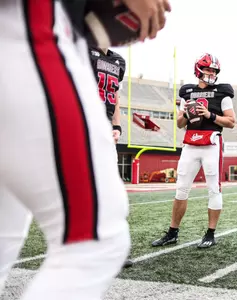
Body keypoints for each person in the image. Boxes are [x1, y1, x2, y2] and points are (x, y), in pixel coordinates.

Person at [0, 0, 169, 298]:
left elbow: (113, 95)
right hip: (25, 29)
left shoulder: (116, 61)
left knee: (4, 235)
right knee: (96, 240)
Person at [151, 53, 236, 249]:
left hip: (211, 144)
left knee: (214, 188)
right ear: (199, 70)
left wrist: (209, 114)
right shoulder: (187, 91)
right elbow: (180, 123)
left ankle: (210, 233)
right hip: (190, 143)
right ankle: (172, 232)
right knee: (181, 188)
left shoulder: (222, 92)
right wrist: (187, 114)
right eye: (208, 69)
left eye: (214, 70)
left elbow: (231, 122)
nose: (211, 73)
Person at [88, 45, 134, 268]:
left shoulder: (118, 61)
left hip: (105, 125)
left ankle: (112, 247)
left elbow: (113, 94)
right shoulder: (82, 48)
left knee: (111, 188)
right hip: (83, 120)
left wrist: (117, 125)